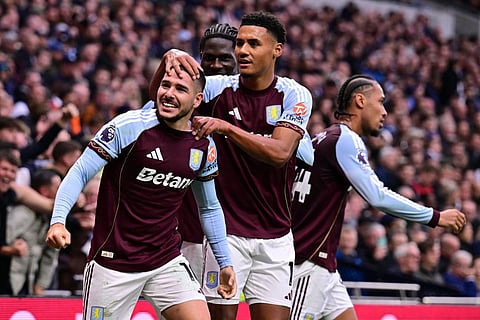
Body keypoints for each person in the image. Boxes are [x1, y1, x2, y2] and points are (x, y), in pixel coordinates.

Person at [153, 11, 313, 320]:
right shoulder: (216, 88)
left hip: (277, 235)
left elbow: (280, 153)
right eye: (239, 43)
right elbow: (159, 106)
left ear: (277, 50)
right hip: (226, 236)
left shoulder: (294, 94)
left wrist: (227, 128)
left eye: (254, 44)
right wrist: (166, 63)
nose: (243, 51)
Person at [45, 66, 236, 319]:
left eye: (180, 89)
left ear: (197, 99)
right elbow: (80, 172)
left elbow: (209, 207)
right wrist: (58, 221)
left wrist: (225, 262)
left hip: (165, 260)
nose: (168, 93)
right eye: (165, 85)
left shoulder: (203, 145)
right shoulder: (129, 126)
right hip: (112, 263)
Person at [289, 74, 467, 320]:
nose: (384, 112)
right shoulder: (346, 140)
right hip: (307, 263)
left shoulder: (326, 138)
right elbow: (378, 197)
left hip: (322, 265)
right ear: (360, 101)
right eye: (380, 102)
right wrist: (434, 217)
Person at [178, 22, 238, 281]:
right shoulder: (186, 102)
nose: (215, 65)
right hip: (188, 233)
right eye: (208, 58)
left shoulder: (258, 105)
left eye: (225, 58)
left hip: (242, 234)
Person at [0, 149, 55, 295]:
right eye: (4, 169)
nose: (8, 175)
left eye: (13, 171)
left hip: (8, 278)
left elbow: (49, 206)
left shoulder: (11, 193)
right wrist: (9, 249)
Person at [8, 169, 62, 296]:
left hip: (29, 286)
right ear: (44, 190)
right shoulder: (22, 213)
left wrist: (40, 285)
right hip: (9, 284)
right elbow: (5, 241)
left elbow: (50, 256)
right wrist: (11, 249)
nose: (62, 192)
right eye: (58, 187)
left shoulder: (51, 219)